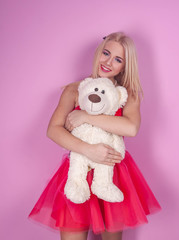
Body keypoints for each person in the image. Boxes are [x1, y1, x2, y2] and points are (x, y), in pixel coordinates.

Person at [28, 32, 161, 240]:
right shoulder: (75, 90)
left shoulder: (126, 95)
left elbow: (131, 128)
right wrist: (88, 150)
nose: (108, 62)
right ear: (99, 52)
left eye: (118, 59)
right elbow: (53, 129)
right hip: (77, 171)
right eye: (106, 53)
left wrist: (86, 116)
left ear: (124, 66)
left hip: (112, 172)